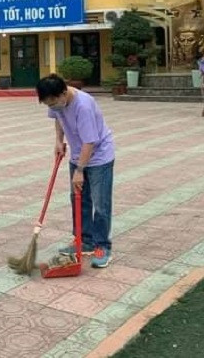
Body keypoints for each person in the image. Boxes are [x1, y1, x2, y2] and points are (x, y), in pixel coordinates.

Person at [36, 75, 115, 268]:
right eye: (48, 104)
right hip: (77, 155)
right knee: (79, 200)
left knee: (100, 203)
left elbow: (90, 142)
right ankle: (84, 240)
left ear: (63, 93)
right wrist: (58, 141)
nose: (52, 107)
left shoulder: (83, 106)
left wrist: (79, 171)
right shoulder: (57, 103)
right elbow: (58, 118)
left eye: (53, 102)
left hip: (98, 158)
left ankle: (102, 246)